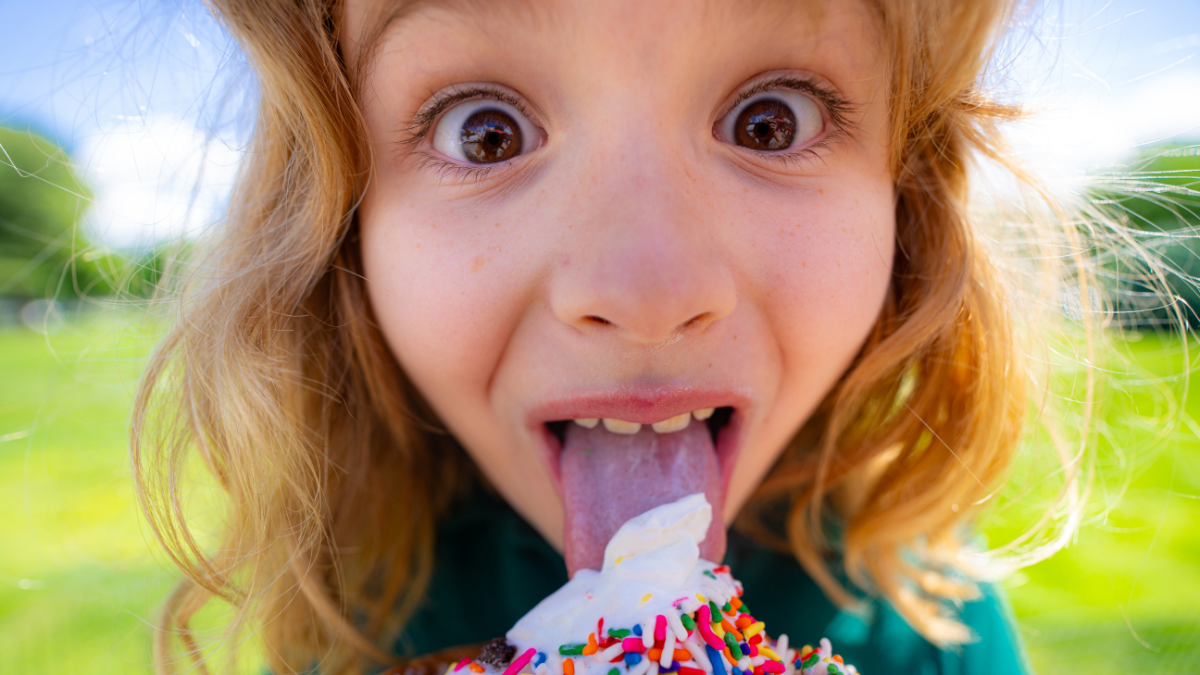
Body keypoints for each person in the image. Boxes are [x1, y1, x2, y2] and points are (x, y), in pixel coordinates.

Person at [131, 1, 1071, 673]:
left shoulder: (928, 624)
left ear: (907, 201)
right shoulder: (365, 604)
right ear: (342, 227)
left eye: (770, 122)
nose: (647, 293)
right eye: (486, 132)